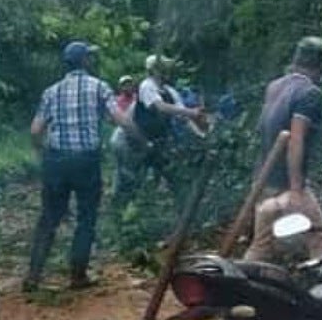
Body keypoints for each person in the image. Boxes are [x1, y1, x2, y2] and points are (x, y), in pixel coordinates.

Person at [25, 41, 137, 292]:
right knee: (86, 217)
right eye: (90, 57)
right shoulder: (99, 87)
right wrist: (141, 140)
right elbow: (121, 120)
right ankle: (77, 275)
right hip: (86, 161)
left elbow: (35, 130)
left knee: (49, 218)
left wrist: (43, 154)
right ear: (85, 61)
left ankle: (33, 275)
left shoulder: (51, 91)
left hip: (57, 160)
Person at [243, 36, 322, 263]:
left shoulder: (274, 87)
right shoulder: (309, 94)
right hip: (286, 184)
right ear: (321, 65)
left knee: (262, 244)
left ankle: (237, 289)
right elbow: (295, 139)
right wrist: (296, 190)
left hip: (263, 178)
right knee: (320, 238)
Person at [123, 54, 204, 200]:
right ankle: (125, 205)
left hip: (158, 140)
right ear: (154, 70)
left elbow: (183, 116)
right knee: (134, 177)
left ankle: (154, 202)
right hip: (138, 139)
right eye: (164, 68)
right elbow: (160, 107)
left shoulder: (170, 91)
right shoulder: (146, 86)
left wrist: (199, 134)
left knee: (163, 171)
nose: (168, 71)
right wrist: (191, 112)